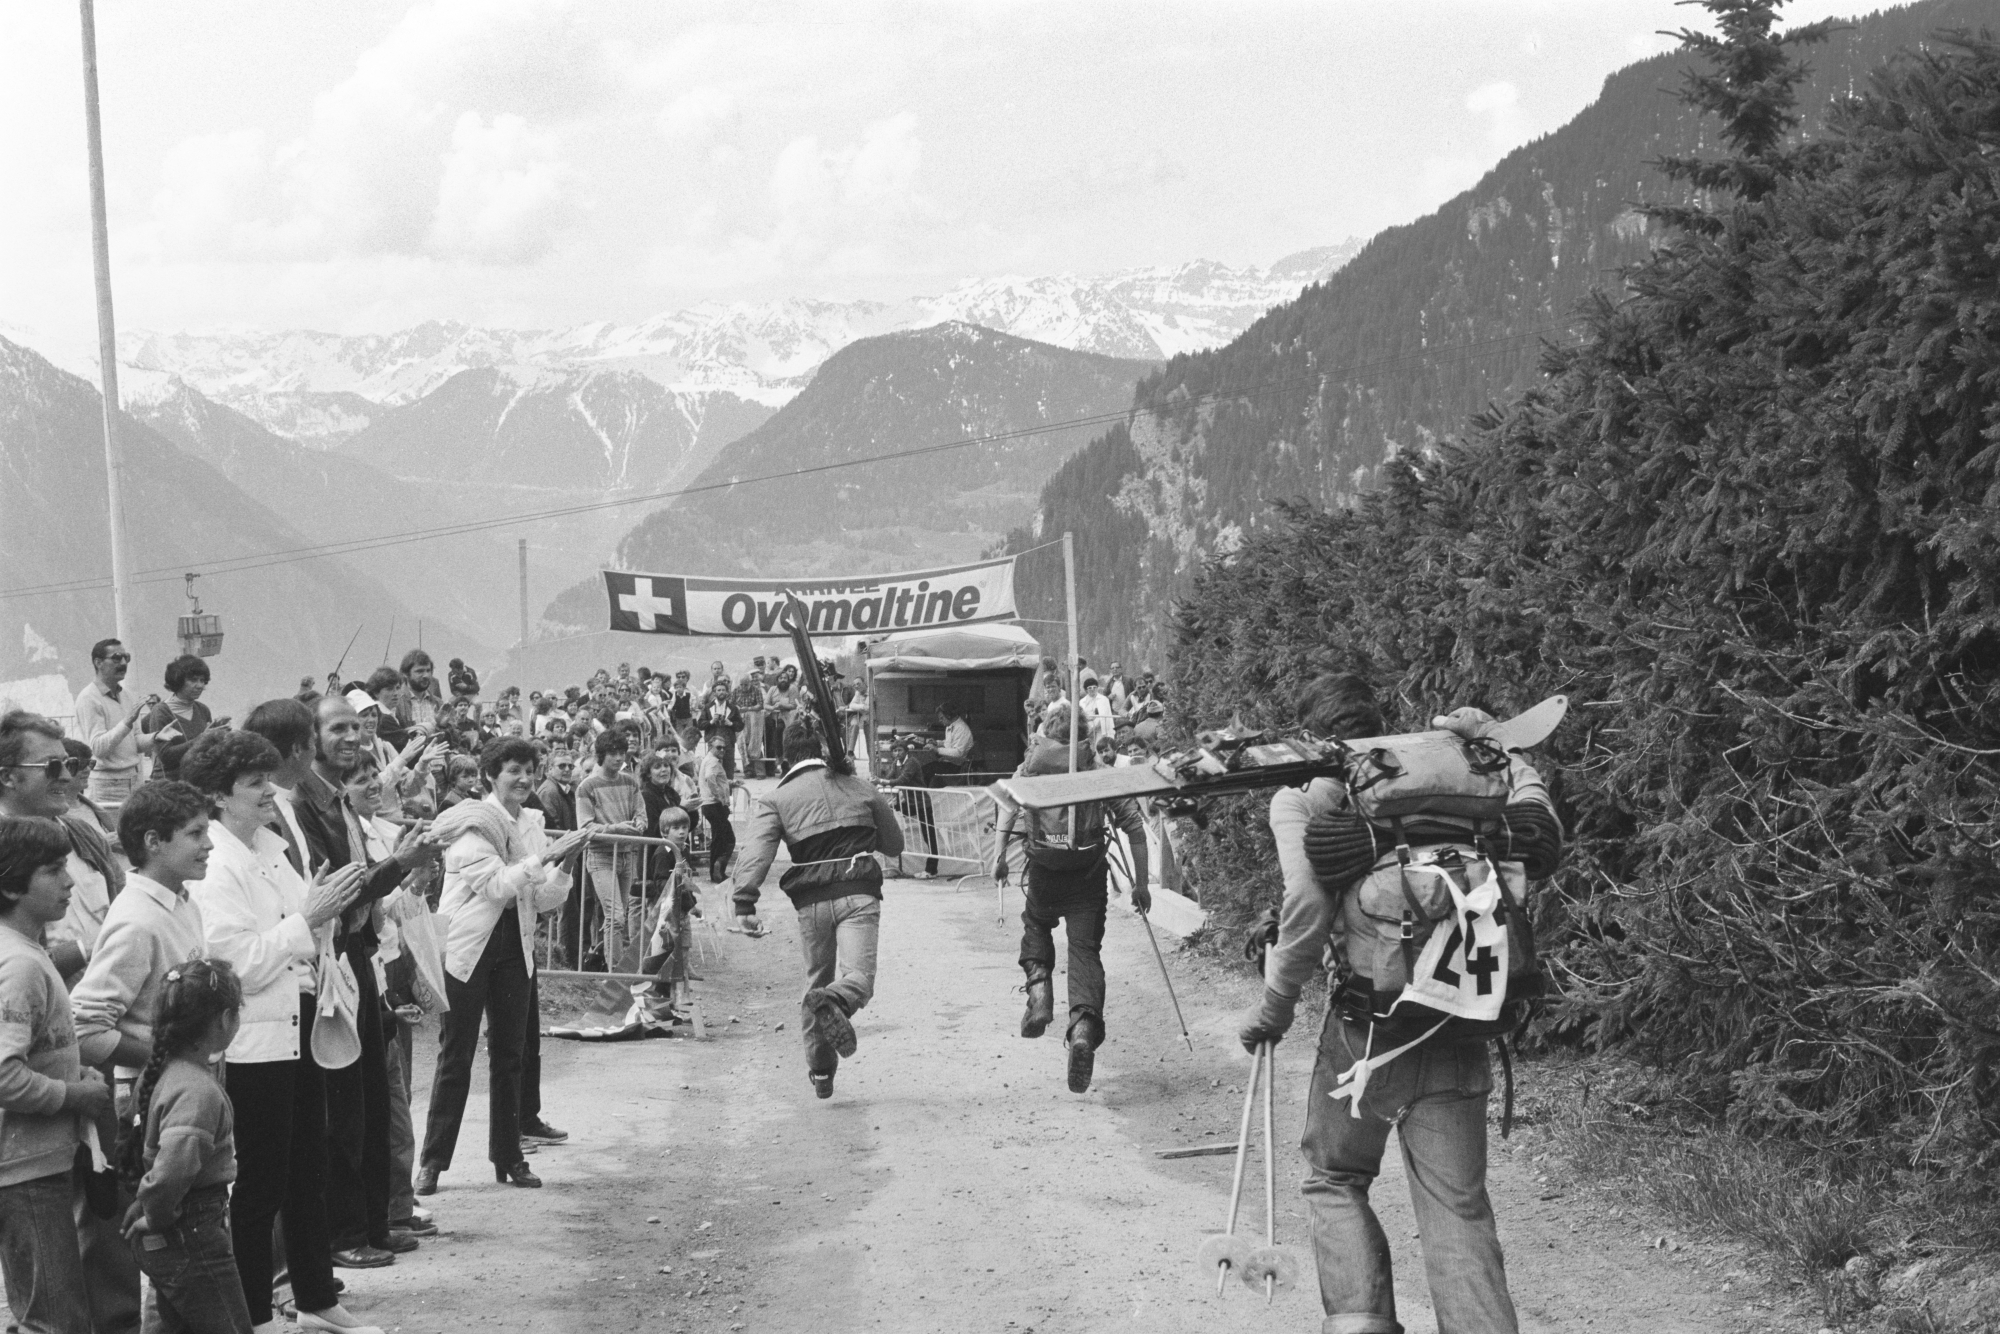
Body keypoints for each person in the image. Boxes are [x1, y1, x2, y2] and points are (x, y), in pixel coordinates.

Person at [1236, 673, 1558, 1334]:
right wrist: (1509, 753)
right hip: (1460, 1022)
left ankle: (1358, 1325)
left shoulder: (1304, 798)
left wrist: (1275, 1008)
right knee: (1457, 1208)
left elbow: (1306, 907)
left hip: (1366, 1034)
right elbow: (1536, 835)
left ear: (1307, 734)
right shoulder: (1456, 782)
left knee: (1334, 1177)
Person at [182, 724, 376, 1334]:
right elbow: (233, 963)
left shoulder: (268, 847)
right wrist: (308, 921)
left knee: (307, 1171)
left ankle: (317, 1296)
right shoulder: (216, 867)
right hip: (254, 1043)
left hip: (299, 1028)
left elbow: (307, 919)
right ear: (218, 795)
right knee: (261, 1182)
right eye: (255, 783)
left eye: (269, 778)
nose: (271, 791)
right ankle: (256, 1314)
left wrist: (325, 914)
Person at [288, 697, 439, 1272]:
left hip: (360, 956)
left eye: (358, 727)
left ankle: (376, 1222)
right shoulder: (308, 806)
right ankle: (345, 1233)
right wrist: (400, 863)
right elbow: (342, 890)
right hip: (332, 957)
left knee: (375, 1099)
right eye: (339, 728)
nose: (354, 737)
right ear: (313, 738)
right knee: (345, 1107)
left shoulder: (337, 803)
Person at [418, 739, 587, 1194]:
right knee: (456, 1054)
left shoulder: (532, 822)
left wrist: (566, 863)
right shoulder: (473, 823)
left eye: (531, 770)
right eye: (514, 770)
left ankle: (508, 1156)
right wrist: (545, 858)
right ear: (491, 774)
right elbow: (496, 887)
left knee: (511, 1056)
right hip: (470, 950)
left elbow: (543, 897)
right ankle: (433, 1162)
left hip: (517, 948)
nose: (525, 779)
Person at [732, 720, 903, 1099]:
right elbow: (893, 844)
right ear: (823, 749)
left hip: (811, 902)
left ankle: (821, 1071)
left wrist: (744, 901)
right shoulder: (857, 785)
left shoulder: (775, 799)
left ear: (785, 758)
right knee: (857, 978)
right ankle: (837, 1000)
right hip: (858, 893)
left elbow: (756, 852)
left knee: (816, 981)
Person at [992, 709, 1150, 1094]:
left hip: (1044, 871)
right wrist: (1141, 885)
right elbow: (1135, 828)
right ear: (1086, 733)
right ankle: (1082, 1026)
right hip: (1088, 874)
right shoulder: (1097, 770)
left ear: (1046, 733)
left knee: (1036, 925)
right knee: (1084, 951)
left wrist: (999, 859)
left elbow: (1007, 811)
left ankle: (1040, 987)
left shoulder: (1028, 769)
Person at [0, 817, 117, 1334]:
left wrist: (74, 1069)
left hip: (38, 1162)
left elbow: (33, 1050)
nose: (70, 881)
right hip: (24, 1169)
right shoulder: (19, 965)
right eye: (52, 871)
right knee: (54, 1319)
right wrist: (75, 1095)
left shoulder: (29, 952)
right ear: (10, 885)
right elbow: (3, 1074)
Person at [116, 957, 253, 1334]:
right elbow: (174, 1167)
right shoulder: (197, 1089)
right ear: (225, 1020)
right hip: (190, 1230)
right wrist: (155, 1214)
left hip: (174, 1228)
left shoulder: (163, 1072)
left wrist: (147, 1207)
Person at [0, 712, 119, 984]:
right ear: (8, 777)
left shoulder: (84, 835)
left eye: (70, 764)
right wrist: (82, 953)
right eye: (52, 766)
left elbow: (125, 907)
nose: (67, 777)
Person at [575, 732, 646, 968]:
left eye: (621, 754)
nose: (618, 758)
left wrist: (639, 823)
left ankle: (599, 958)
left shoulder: (630, 781)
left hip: (626, 855)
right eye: (612, 754)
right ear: (601, 756)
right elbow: (585, 827)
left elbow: (640, 812)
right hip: (601, 857)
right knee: (615, 916)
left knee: (618, 917)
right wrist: (617, 828)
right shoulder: (587, 787)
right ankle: (615, 971)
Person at [74, 639, 160, 812]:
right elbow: (98, 748)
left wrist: (156, 737)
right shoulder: (89, 698)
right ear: (98, 663)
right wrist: (126, 722)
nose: (123, 663)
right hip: (108, 785)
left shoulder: (126, 695)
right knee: (111, 836)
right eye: (116, 658)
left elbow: (135, 742)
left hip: (135, 779)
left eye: (126, 658)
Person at [145, 657, 222, 781]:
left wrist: (219, 734)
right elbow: (166, 756)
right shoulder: (161, 711)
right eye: (193, 680)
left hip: (198, 781)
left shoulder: (203, 710)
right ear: (178, 681)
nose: (200, 685)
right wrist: (202, 739)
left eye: (203, 681)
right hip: (170, 785)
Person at [695, 734, 737, 886]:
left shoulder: (709, 760)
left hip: (710, 805)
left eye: (724, 748)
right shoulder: (712, 762)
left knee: (719, 840)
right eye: (718, 747)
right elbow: (710, 779)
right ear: (710, 747)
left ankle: (716, 871)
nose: (722, 750)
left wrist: (729, 783)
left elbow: (713, 779)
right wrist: (722, 798)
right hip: (714, 805)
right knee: (728, 840)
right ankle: (718, 868)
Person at [699, 682, 742, 780]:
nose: (721, 692)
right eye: (719, 690)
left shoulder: (733, 708)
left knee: (728, 771)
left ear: (727, 692)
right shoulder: (707, 707)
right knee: (712, 770)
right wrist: (710, 722)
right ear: (714, 693)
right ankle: (714, 794)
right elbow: (700, 724)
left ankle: (729, 794)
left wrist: (730, 723)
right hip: (712, 741)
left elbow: (740, 725)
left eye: (723, 690)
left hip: (728, 742)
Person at [396, 653, 442, 735]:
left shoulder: (439, 703)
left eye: (428, 670)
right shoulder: (396, 703)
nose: (426, 675)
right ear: (405, 674)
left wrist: (444, 726)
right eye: (419, 671)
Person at [731, 672, 766, 780]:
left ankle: (760, 771)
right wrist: (738, 708)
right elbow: (732, 704)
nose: (743, 687)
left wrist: (749, 709)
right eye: (741, 685)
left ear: (750, 683)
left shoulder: (756, 690)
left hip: (754, 720)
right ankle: (748, 771)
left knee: (754, 744)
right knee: (743, 744)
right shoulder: (736, 691)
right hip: (741, 719)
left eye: (745, 685)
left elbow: (760, 704)